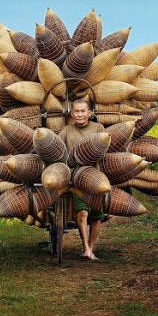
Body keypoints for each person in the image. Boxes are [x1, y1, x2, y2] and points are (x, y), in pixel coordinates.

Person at [58, 99, 107, 261]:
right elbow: (58, 150)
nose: (79, 114)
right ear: (72, 114)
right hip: (76, 179)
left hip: (96, 177)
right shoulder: (66, 131)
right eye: (76, 111)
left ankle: (91, 248)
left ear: (90, 113)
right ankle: (85, 247)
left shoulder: (98, 128)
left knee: (96, 216)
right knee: (82, 213)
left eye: (83, 111)